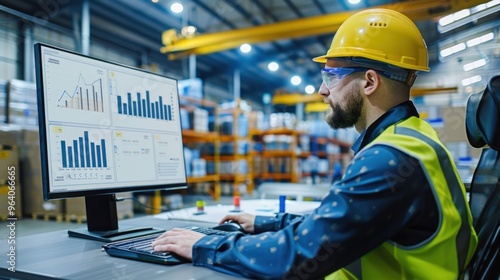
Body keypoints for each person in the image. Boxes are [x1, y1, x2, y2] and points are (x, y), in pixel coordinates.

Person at [152, 8, 478, 279]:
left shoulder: (390, 160)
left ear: (369, 82)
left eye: (331, 77)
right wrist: (266, 222)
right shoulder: (411, 138)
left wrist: (204, 246)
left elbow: (298, 259)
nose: (322, 91)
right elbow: (337, 224)